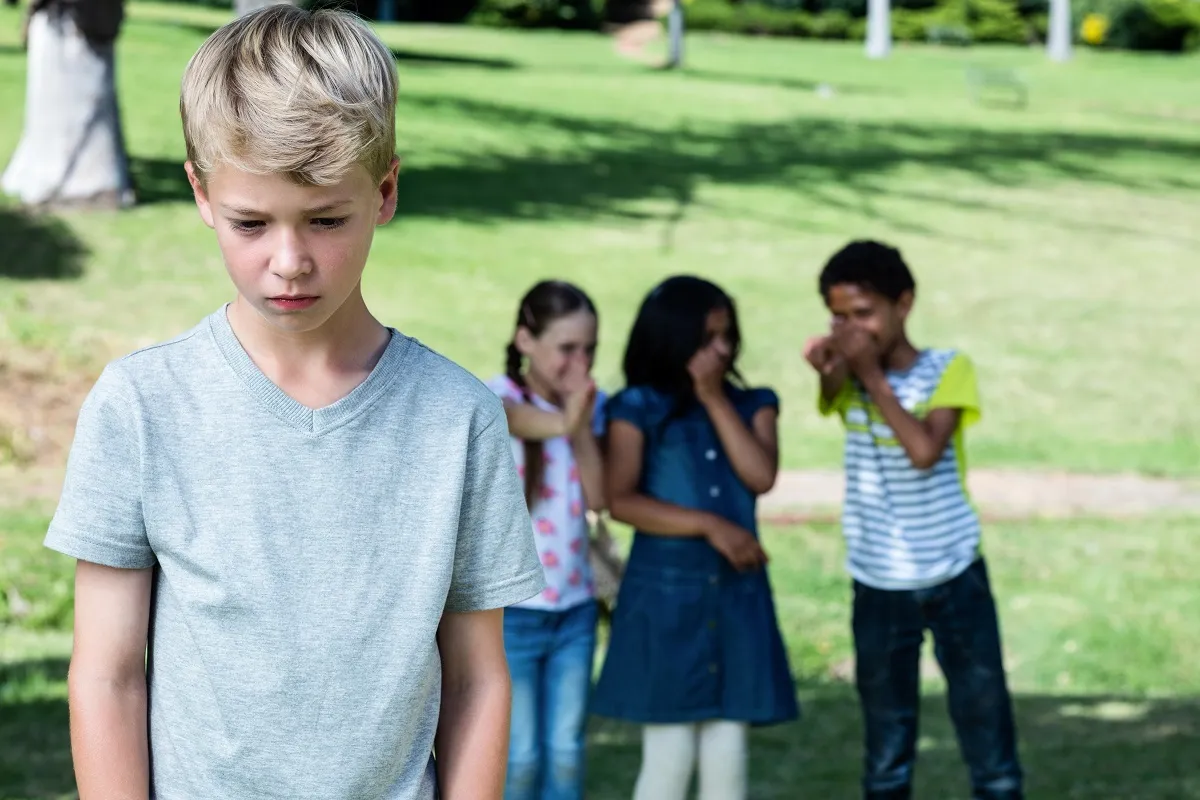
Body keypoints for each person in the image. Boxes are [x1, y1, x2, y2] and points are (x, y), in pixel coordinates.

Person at [42, 7, 545, 799]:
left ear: (383, 193)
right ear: (201, 194)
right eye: (251, 223)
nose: (289, 262)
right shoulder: (141, 406)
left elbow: (477, 681)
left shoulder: (459, 420)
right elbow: (106, 675)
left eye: (325, 219)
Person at [805, 240, 1023, 800]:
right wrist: (829, 368)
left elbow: (924, 451)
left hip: (953, 574)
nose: (853, 329)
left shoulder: (948, 369)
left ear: (904, 303)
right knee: (887, 752)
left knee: (989, 741)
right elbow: (829, 396)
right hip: (879, 583)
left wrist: (872, 376)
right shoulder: (851, 374)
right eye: (839, 316)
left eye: (864, 314)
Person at [591, 275, 799, 800]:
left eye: (727, 336)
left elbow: (760, 476)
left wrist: (711, 396)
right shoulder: (635, 407)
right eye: (707, 339)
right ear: (673, 339)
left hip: (735, 597)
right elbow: (623, 500)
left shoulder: (755, 405)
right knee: (668, 754)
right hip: (664, 602)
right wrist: (711, 524)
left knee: (728, 752)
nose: (722, 349)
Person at [485, 280, 607, 800]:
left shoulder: (587, 410)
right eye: (567, 348)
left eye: (589, 349)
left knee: (565, 751)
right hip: (515, 615)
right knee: (521, 756)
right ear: (524, 340)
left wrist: (578, 425)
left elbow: (601, 498)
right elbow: (515, 420)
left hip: (575, 611)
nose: (579, 362)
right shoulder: (496, 397)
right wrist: (566, 419)